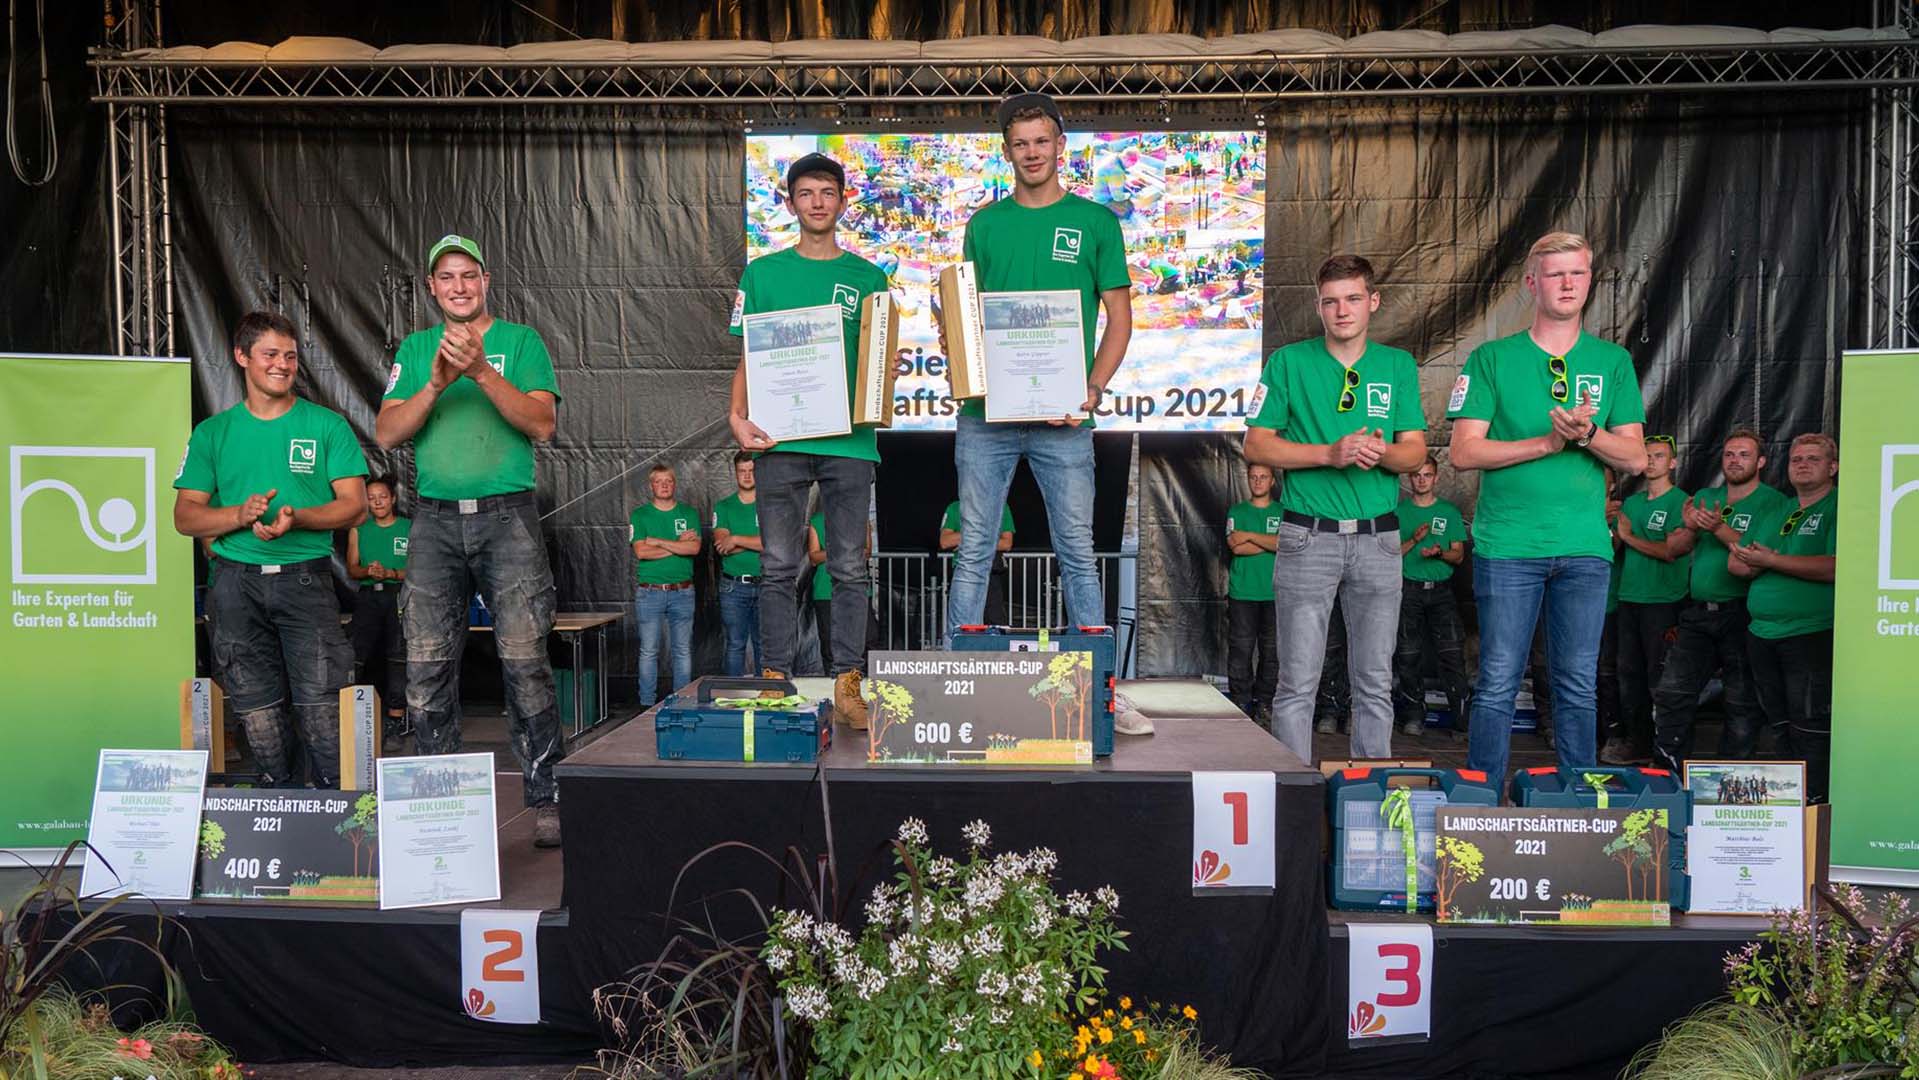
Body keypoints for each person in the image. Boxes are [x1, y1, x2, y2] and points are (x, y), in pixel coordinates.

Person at [375, 234, 565, 848]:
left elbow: (542, 423)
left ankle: (547, 797)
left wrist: (479, 370)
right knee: (426, 664)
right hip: (432, 521)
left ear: (485, 282)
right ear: (432, 288)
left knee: (525, 658)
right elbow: (385, 433)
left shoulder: (519, 342)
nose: (458, 286)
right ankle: (441, 804)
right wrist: (433, 384)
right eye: (446, 277)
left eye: (469, 276)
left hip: (507, 517)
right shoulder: (416, 347)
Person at [1446, 231, 1647, 787]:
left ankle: (1578, 803)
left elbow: (1633, 456)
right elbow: (1463, 452)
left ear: (1588, 282)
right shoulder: (1491, 358)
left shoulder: (1612, 361)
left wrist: (1588, 435)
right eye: (1555, 274)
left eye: (1577, 274)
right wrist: (1546, 443)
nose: (1566, 284)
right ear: (1532, 282)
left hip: (1584, 546)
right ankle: (1481, 805)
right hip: (1509, 546)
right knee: (1498, 681)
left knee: (1578, 681)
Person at [942, 92, 1133, 653]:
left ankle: (1097, 678)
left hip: (1066, 419)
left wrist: (1091, 389)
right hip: (985, 416)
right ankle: (958, 665)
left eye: (1041, 141)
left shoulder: (1095, 222)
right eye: (1020, 143)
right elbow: (968, 315)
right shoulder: (984, 224)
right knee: (975, 543)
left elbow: (1120, 319)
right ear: (1007, 152)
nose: (1032, 153)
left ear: (1060, 146)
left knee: (1076, 545)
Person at [726, 152, 890, 727]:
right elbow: (748, 351)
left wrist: (879, 402)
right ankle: (775, 675)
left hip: (851, 443)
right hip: (778, 440)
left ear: (844, 201)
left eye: (828, 192)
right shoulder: (762, 274)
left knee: (848, 568)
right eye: (806, 193)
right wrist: (736, 413)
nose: (817, 202)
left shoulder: (871, 278)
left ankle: (849, 681)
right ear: (790, 202)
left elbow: (879, 361)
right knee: (777, 565)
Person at [1244, 253, 1427, 763]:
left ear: (1373, 302)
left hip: (1378, 539)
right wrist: (1328, 454)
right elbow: (1256, 445)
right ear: (1318, 306)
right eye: (1330, 301)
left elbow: (1416, 452)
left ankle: (1368, 800)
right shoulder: (1289, 362)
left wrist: (1382, 453)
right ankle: (1292, 797)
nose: (1342, 310)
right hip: (1308, 537)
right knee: (1296, 682)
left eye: (1352, 299)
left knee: (1374, 680)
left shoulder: (1397, 365)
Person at [173, 311, 367, 788]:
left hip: (306, 579)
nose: (282, 365)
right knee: (256, 711)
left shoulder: (327, 426)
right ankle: (276, 803)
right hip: (235, 585)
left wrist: (296, 517)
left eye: (290, 356)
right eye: (270, 355)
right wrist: (239, 515)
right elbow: (185, 517)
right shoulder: (212, 434)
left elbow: (355, 507)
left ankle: (334, 815)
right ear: (242, 358)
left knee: (323, 707)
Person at [1652, 429, 1786, 768]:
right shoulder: (1705, 496)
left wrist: (1716, 528)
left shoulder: (1774, 502)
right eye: (1729, 454)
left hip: (1741, 612)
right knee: (1672, 694)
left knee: (1742, 700)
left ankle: (1732, 776)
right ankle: (1667, 772)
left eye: (1743, 454)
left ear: (1761, 462)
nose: (1735, 460)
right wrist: (1690, 527)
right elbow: (1674, 549)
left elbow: (1755, 555)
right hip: (1697, 613)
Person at [1731, 433, 1839, 801]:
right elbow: (1740, 562)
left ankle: (1816, 804)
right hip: (1762, 632)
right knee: (1777, 722)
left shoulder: (1840, 506)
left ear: (1833, 467)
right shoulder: (1779, 509)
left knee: (1809, 723)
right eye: (1796, 460)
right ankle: (1789, 803)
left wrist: (1772, 561)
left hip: (1809, 633)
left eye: (1813, 459)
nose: (1803, 465)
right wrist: (1761, 561)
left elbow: (1836, 567)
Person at [1603, 436, 1692, 764]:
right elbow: (1611, 549)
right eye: (1647, 456)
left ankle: (1666, 749)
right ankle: (1636, 743)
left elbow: (1670, 552)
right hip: (1628, 598)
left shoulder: (1682, 502)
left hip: (1664, 601)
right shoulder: (1631, 504)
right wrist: (1611, 529)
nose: (1651, 461)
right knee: (1630, 676)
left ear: (1672, 463)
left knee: (1662, 678)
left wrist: (1628, 536)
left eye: (1659, 456)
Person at [1392, 455, 1469, 738]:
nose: (1422, 480)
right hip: (1408, 588)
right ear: (1409, 479)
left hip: (1441, 592)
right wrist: (1414, 539)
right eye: (1417, 475)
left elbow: (1458, 555)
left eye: (1427, 475)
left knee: (1451, 655)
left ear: (1437, 478)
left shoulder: (1448, 512)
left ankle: (1461, 722)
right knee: (1408, 655)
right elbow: (1390, 555)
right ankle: (1413, 716)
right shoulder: (1399, 512)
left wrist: (1438, 552)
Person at [346, 474, 411, 740]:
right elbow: (352, 568)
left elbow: (419, 569)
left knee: (397, 655)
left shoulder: (408, 527)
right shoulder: (358, 529)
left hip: (398, 595)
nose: (377, 502)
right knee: (356, 654)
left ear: (393, 498)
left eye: (382, 497)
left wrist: (391, 573)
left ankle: (397, 718)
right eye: (371, 499)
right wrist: (368, 571)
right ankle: (353, 714)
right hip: (368, 597)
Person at [630, 464, 700, 706]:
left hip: (683, 591)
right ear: (651, 486)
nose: (663, 485)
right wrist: (676, 545)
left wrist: (658, 542)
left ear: (674, 484)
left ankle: (681, 702)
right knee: (649, 651)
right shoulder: (640, 515)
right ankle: (646, 704)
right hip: (650, 592)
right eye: (658, 481)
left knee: (682, 651)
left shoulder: (688, 514)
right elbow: (641, 552)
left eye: (668, 481)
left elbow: (693, 548)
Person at [1224, 462, 1282, 725]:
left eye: (1263, 477)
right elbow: (1236, 548)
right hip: (1243, 593)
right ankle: (1241, 704)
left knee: (1271, 654)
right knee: (1241, 651)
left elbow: (1285, 543)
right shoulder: (1237, 510)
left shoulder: (1283, 512)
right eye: (1253, 477)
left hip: (1274, 594)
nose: (1257, 481)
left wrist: (1248, 535)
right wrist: (1269, 543)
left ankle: (1265, 705)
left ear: (1272, 481)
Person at [712, 452, 764, 677]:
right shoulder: (723, 507)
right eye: (742, 471)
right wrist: (754, 541)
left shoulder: (768, 505)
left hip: (766, 583)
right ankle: (732, 698)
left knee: (765, 645)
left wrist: (736, 539)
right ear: (735, 474)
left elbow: (773, 543)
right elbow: (722, 545)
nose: (747, 475)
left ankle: (767, 695)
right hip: (733, 587)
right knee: (735, 643)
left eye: (751, 470)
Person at [941, 497, 1014, 626]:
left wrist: (968, 542)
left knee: (995, 621)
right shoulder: (955, 507)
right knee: (962, 621)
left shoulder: (1001, 506)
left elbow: (1006, 543)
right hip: (963, 570)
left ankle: (994, 646)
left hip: (991, 571)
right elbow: (945, 541)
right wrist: (983, 538)